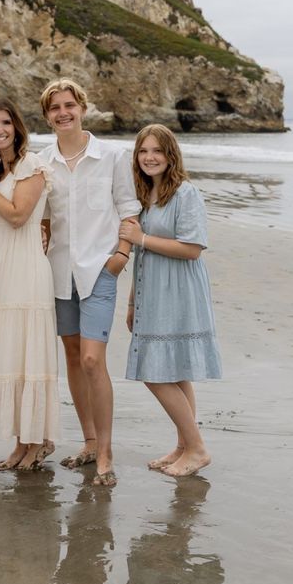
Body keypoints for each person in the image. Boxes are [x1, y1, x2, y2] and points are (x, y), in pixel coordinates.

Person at [39, 78, 140, 488]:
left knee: (93, 360)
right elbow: (42, 216)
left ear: (83, 107)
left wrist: (120, 257)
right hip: (59, 272)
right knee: (73, 353)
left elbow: (129, 210)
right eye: (54, 108)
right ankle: (90, 441)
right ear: (47, 116)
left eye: (69, 105)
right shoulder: (42, 161)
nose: (63, 113)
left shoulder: (113, 156)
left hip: (100, 269)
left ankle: (107, 453)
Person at [121, 124, 222, 477]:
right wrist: (133, 302)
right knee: (176, 371)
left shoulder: (185, 193)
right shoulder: (145, 194)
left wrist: (142, 238)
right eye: (143, 151)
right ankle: (183, 446)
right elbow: (139, 255)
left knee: (156, 371)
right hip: (152, 290)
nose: (150, 157)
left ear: (171, 154)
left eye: (157, 151)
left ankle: (197, 448)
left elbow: (192, 249)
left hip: (179, 290)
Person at [0, 98, 59, 470]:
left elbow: (19, 216)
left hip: (25, 268)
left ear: (17, 126)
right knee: (11, 353)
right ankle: (21, 444)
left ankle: (35, 442)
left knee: (28, 353)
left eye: (5, 122)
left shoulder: (31, 164)